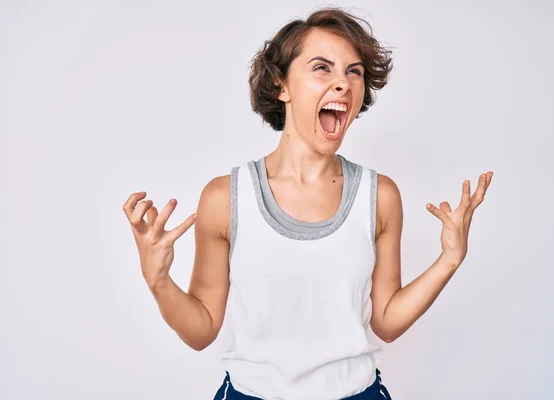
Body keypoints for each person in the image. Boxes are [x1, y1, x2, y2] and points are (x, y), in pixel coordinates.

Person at [122, 7, 493, 400]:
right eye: (322, 68)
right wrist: (158, 280)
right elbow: (202, 329)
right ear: (281, 84)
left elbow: (385, 321)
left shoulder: (379, 196)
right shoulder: (225, 198)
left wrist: (449, 259)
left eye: (354, 72)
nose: (343, 84)